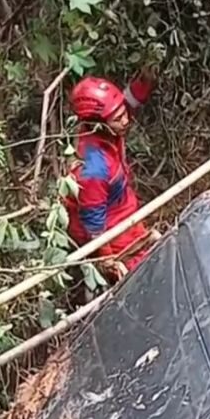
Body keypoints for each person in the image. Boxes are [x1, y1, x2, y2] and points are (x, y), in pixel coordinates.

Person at [63, 68, 158, 280]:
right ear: (99, 125)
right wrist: (109, 262)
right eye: (118, 118)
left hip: (124, 214)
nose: (126, 121)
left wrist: (144, 83)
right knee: (145, 276)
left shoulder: (108, 125)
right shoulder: (93, 168)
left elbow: (126, 105)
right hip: (112, 231)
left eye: (124, 114)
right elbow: (95, 227)